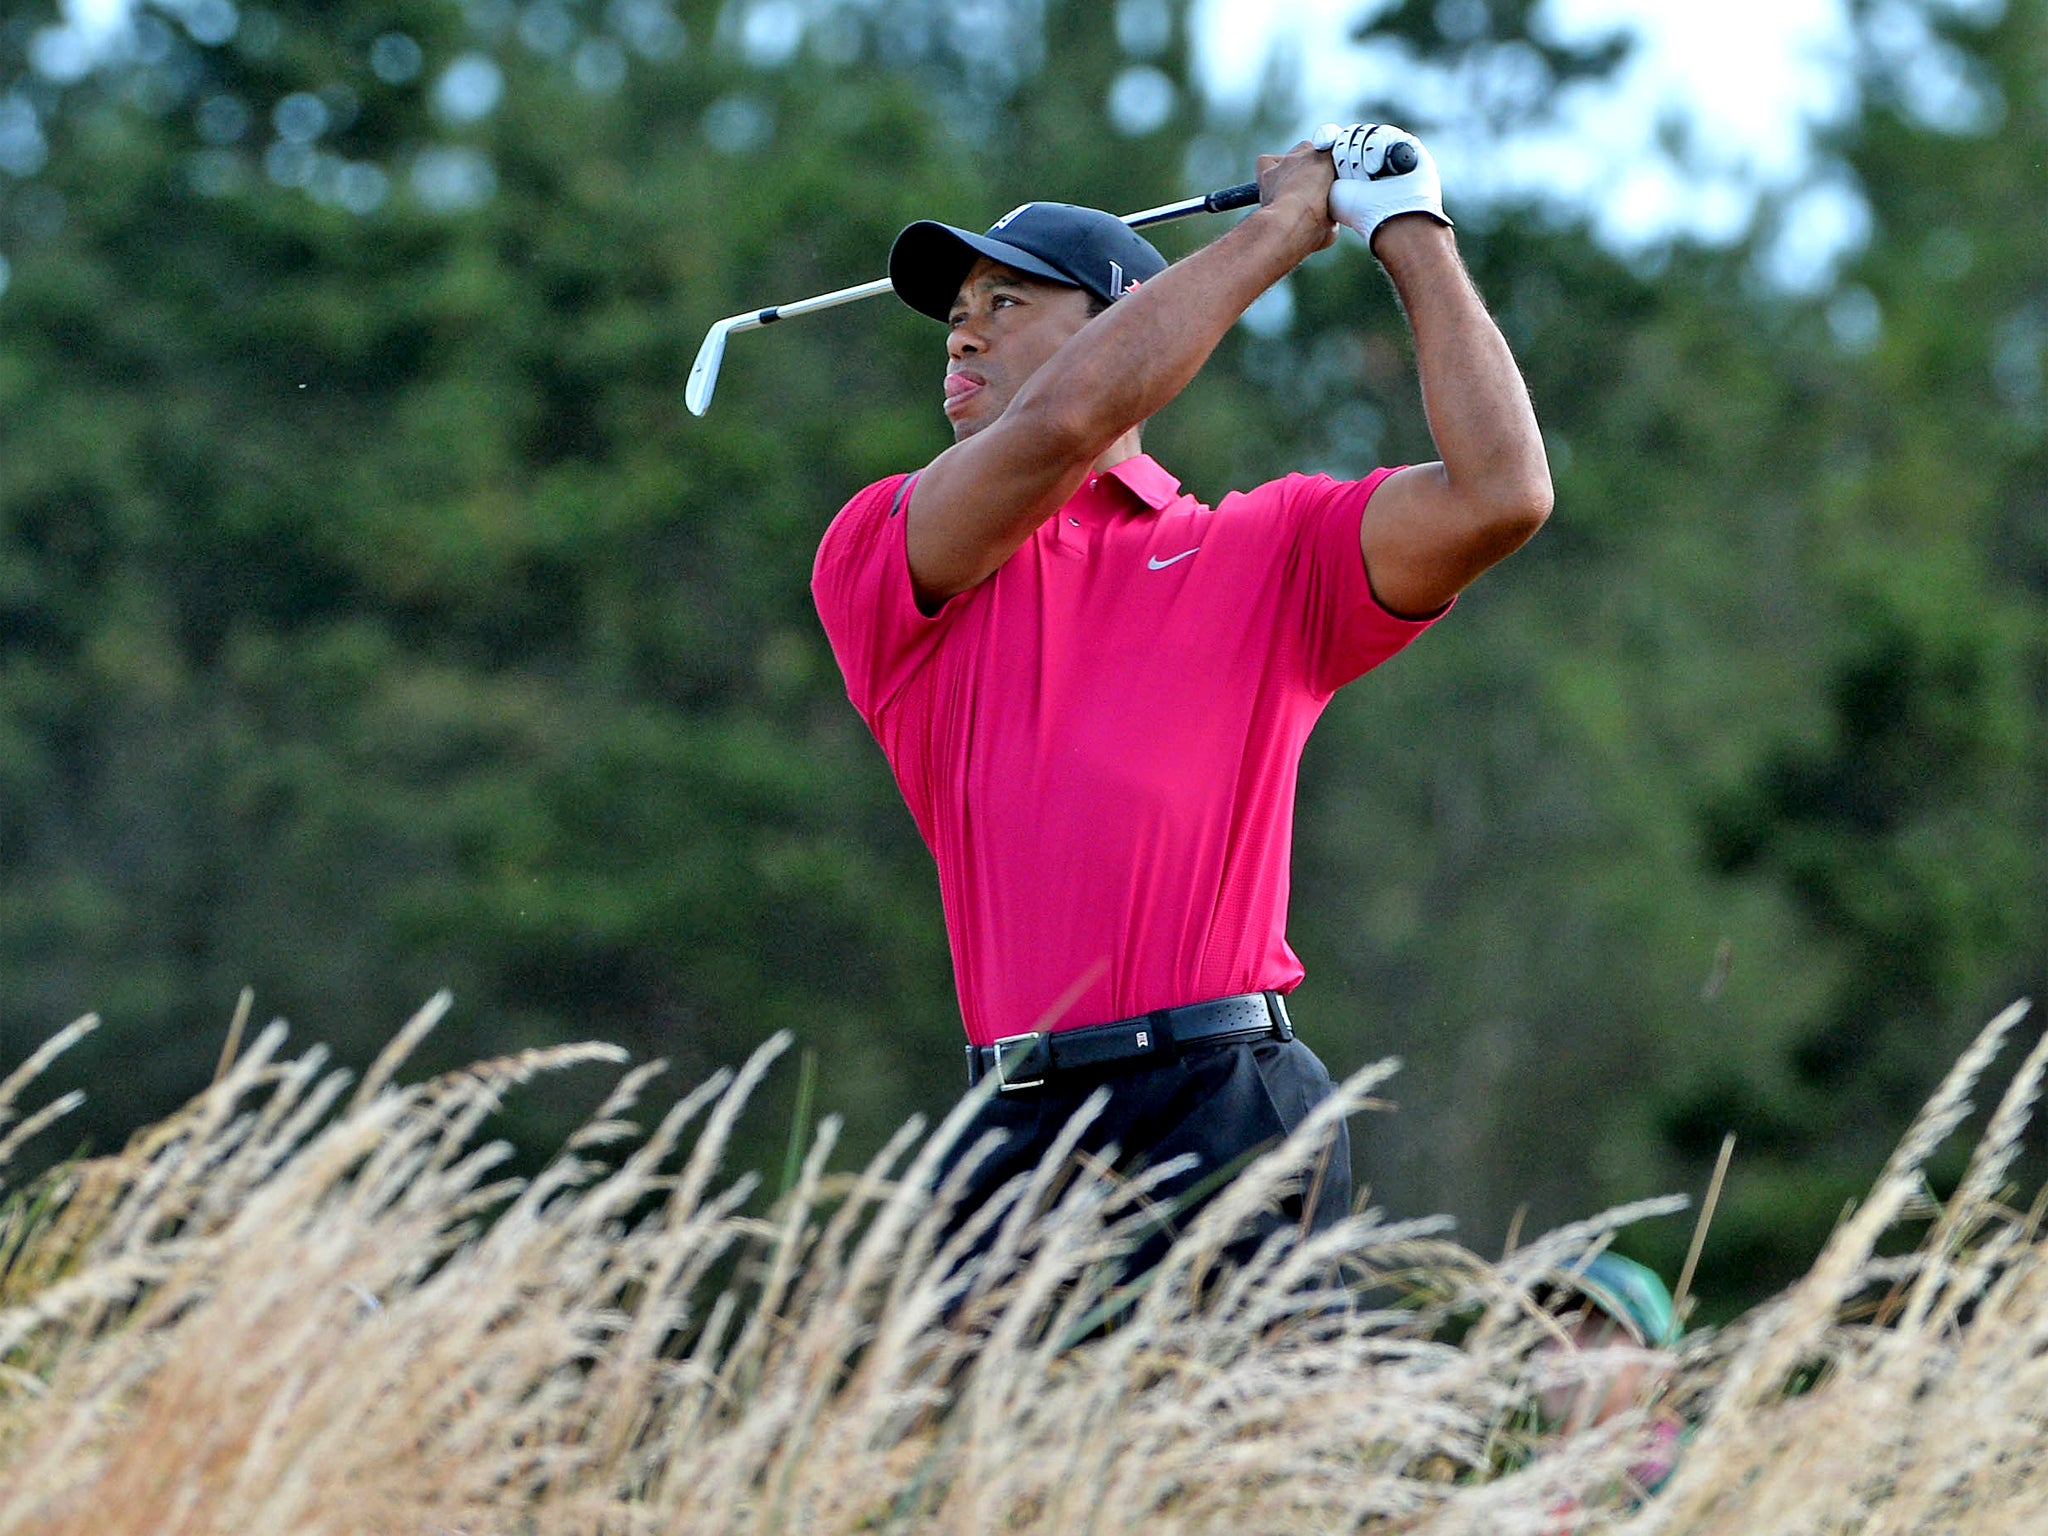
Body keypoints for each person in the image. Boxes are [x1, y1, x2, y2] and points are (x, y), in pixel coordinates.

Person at [810, 125, 1552, 1277]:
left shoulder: (1265, 549)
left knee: (1249, 1461)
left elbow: (1501, 492)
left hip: (1232, 1108)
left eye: (1005, 302)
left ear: (1117, 321)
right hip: (1014, 1134)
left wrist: (1404, 226)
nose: (960, 329)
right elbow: (1062, 425)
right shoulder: (887, 547)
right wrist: (1281, 227)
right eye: (958, 309)